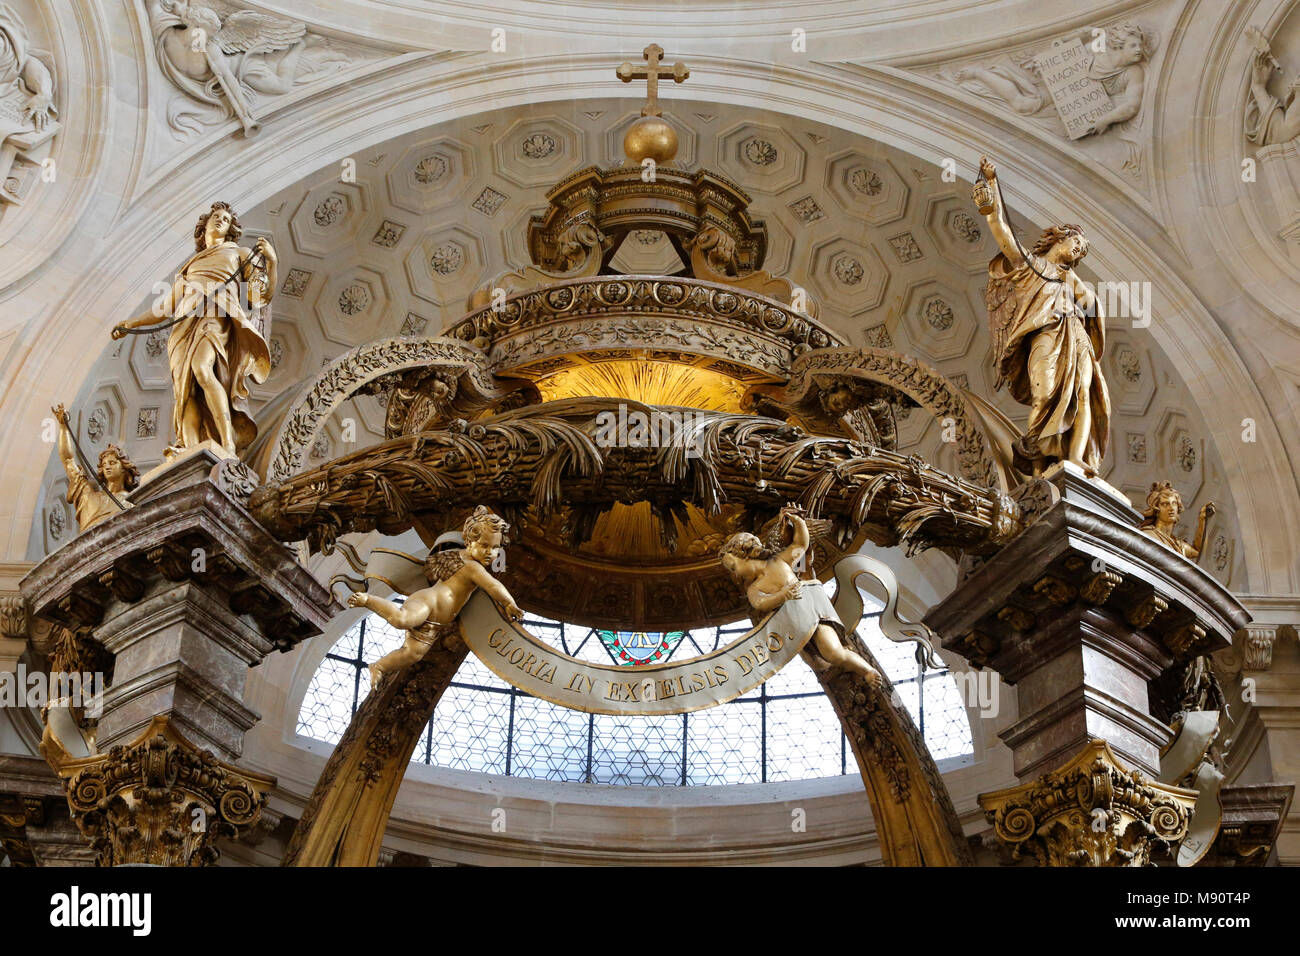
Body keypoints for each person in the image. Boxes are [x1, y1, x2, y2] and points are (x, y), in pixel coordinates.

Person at [976, 156, 1111, 475]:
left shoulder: (1070, 278)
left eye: (1082, 251)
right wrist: (990, 191)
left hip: (1075, 336)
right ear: (1059, 237)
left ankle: (1075, 456)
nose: (1079, 251)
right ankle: (1037, 459)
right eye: (1076, 242)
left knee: (1081, 393)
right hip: (1046, 337)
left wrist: (1084, 293)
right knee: (1046, 391)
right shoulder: (1031, 265)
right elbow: (1003, 232)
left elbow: (1090, 306)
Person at [112, 202, 274, 456]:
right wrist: (131, 323)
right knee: (186, 390)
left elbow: (255, 297)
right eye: (216, 217)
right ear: (205, 224)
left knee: (201, 367)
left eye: (226, 219)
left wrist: (271, 264)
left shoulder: (239, 253)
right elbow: (164, 307)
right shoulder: (188, 268)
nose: (221, 220)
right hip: (183, 329)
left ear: (231, 229)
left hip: (214, 317)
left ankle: (227, 442)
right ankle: (188, 450)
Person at [350, 507, 523, 689]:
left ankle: (379, 666)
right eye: (484, 545)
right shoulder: (473, 567)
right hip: (427, 603)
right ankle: (367, 600)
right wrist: (509, 603)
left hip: (437, 624)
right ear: (469, 542)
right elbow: (493, 585)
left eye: (496, 548)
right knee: (402, 619)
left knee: (412, 655)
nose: (490, 552)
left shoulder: (469, 561)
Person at [718, 507, 881, 687]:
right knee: (818, 660)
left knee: (833, 653)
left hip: (812, 612)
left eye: (733, 567)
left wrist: (798, 521)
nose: (736, 575)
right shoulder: (754, 588)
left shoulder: (778, 561)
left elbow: (800, 545)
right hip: (795, 624)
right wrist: (781, 596)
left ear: (745, 553)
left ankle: (867, 670)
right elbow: (759, 603)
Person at [52, 403, 138, 531]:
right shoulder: (88, 496)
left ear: (124, 468)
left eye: (112, 463)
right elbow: (68, 460)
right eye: (104, 465)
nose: (107, 467)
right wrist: (63, 427)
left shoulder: (132, 503)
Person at [1138, 481, 1215, 561]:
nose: (1171, 508)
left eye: (1174, 503)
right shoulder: (1148, 535)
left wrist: (1202, 520)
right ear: (1156, 510)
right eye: (1165, 504)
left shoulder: (1178, 545)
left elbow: (1198, 551)